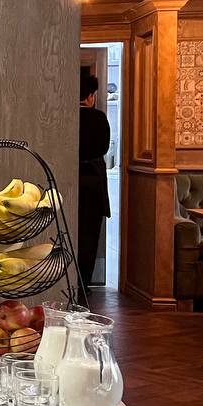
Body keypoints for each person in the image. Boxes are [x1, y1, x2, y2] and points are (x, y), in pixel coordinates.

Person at [77, 75, 111, 302]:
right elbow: (104, 148)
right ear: (90, 96)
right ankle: (84, 284)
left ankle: (67, 279)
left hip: (71, 179)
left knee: (69, 232)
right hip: (94, 184)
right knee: (89, 237)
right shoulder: (99, 118)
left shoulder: (67, 117)